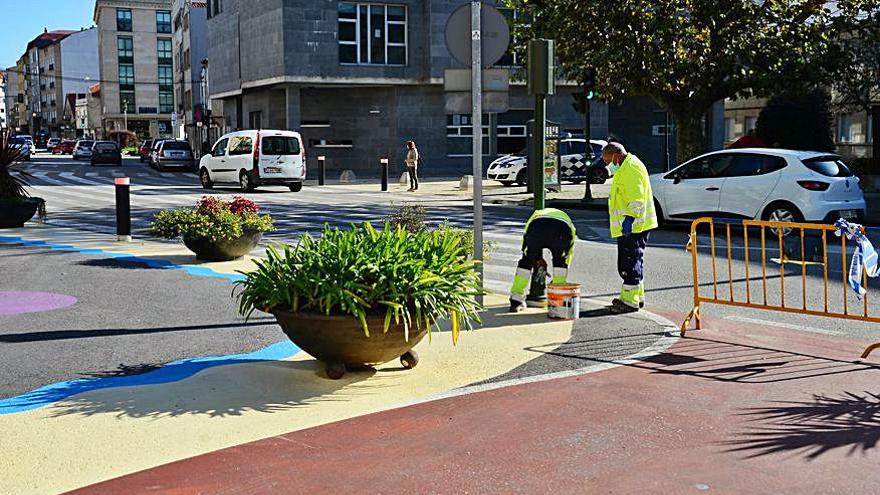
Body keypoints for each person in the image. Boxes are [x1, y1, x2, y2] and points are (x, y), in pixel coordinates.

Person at [603, 142, 658, 313]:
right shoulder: (627, 166)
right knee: (634, 260)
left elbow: (637, 198)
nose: (607, 165)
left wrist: (629, 219)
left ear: (616, 156)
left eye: (607, 161)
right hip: (635, 224)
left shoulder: (631, 168)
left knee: (629, 262)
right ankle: (636, 297)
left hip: (634, 226)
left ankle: (630, 301)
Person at [509, 208, 577, 312]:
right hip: (562, 230)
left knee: (525, 263)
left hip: (537, 227)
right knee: (560, 266)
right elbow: (568, 254)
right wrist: (561, 269)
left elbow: (526, 238)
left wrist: (534, 258)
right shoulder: (570, 226)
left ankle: (516, 301)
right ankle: (557, 304)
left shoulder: (536, 214)